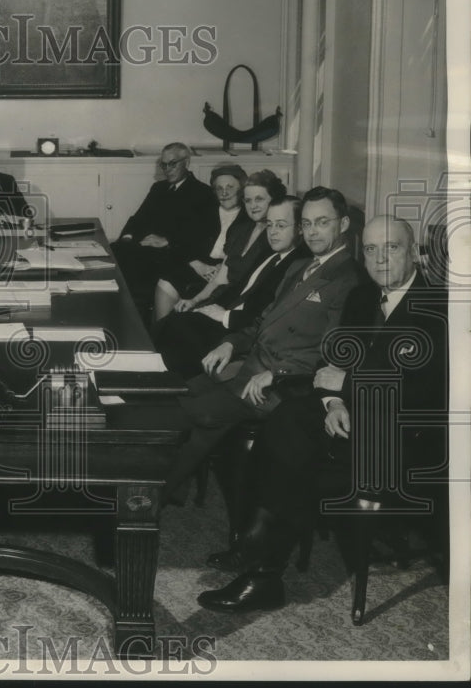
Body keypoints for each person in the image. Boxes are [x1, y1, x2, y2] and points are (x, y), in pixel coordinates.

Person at [197, 216, 448, 613]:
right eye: (370, 249)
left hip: (404, 435)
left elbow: (418, 391)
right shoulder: (363, 298)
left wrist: (345, 389)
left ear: (414, 252)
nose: (380, 259)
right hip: (349, 412)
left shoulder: (437, 310)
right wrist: (334, 402)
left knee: (293, 442)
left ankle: (259, 560)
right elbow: (334, 363)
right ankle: (260, 560)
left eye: (392, 247)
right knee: (285, 421)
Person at [162, 186, 363, 502]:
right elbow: (262, 321)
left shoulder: (348, 281)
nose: (312, 232)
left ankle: (146, 500)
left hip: (282, 388)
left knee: (192, 413)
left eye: (322, 222)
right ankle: (159, 493)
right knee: (176, 397)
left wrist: (278, 373)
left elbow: (333, 355)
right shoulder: (301, 267)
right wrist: (230, 343)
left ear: (344, 224)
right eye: (307, 223)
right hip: (249, 368)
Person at [156, 195, 308, 378]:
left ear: (300, 228)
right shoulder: (270, 253)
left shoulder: (298, 264)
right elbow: (239, 288)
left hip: (242, 328)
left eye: (281, 225)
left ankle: (171, 386)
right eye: (270, 224)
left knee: (178, 330)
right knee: (167, 323)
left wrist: (224, 315)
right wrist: (207, 307)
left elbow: (269, 314)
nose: (272, 232)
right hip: (228, 314)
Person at [110, 142, 217, 318]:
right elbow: (138, 219)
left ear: (187, 163)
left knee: (133, 279)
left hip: (174, 254)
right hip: (144, 247)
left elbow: (202, 236)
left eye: (173, 163)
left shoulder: (203, 193)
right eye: (164, 164)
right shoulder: (158, 188)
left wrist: (168, 241)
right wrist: (128, 239)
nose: (167, 169)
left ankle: (134, 322)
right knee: (114, 253)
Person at [152, 162, 250, 320]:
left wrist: (223, 268)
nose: (224, 193)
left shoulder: (248, 216)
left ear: (241, 189)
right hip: (198, 264)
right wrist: (197, 264)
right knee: (167, 281)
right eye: (219, 188)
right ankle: (159, 332)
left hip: (226, 272)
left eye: (230, 187)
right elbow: (179, 243)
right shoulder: (203, 211)